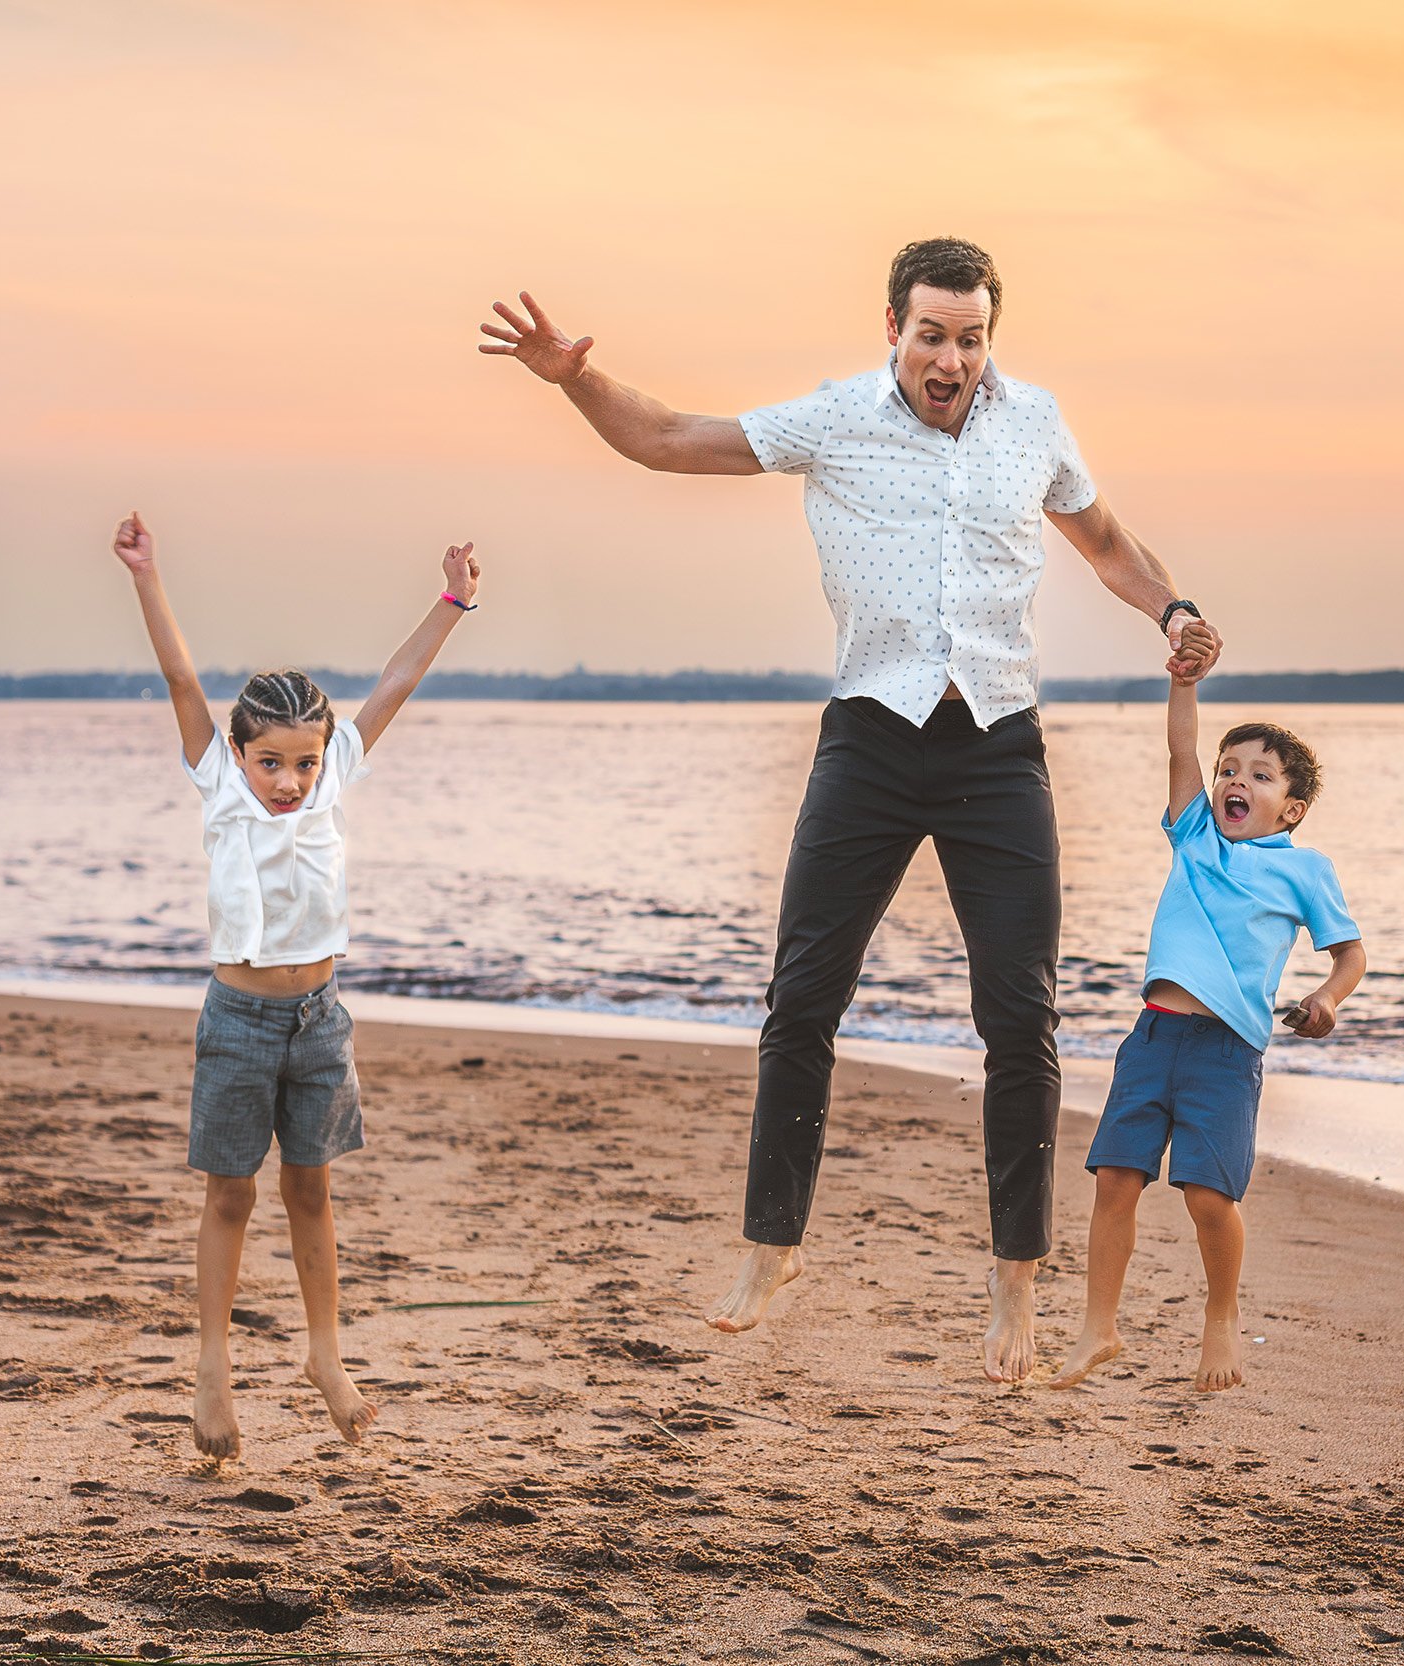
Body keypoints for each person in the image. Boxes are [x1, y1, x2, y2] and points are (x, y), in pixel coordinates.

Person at [483, 238, 1223, 1380]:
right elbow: (671, 440)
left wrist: (1169, 609)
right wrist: (576, 378)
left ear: (990, 339)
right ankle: (771, 1247)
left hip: (996, 741)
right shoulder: (834, 420)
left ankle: (1014, 1279)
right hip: (870, 739)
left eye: (971, 337)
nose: (951, 357)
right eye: (931, 334)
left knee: (1019, 1020)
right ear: (893, 329)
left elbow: (1108, 543)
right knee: (802, 997)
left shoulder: (1035, 423)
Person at [109, 511, 481, 1459]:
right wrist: (148, 575)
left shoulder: (334, 777)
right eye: (270, 762)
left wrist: (452, 603)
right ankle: (211, 1371)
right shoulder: (219, 782)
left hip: (320, 1022)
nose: (287, 782)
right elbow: (182, 678)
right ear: (238, 755)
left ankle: (326, 1358)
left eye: (303, 763)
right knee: (229, 1197)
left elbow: (393, 686)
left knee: (310, 1192)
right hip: (236, 1021)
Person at [1049, 663, 1367, 1393]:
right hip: (1153, 1037)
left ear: (1292, 809)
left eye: (1261, 775)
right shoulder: (1195, 836)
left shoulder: (1305, 870)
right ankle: (1099, 1327)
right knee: (1115, 1180)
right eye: (1231, 769)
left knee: (1207, 1198)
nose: (1237, 781)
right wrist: (1184, 683)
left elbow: (1350, 955)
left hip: (1226, 1053)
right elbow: (1180, 750)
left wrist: (1326, 1000)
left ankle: (1221, 1315)